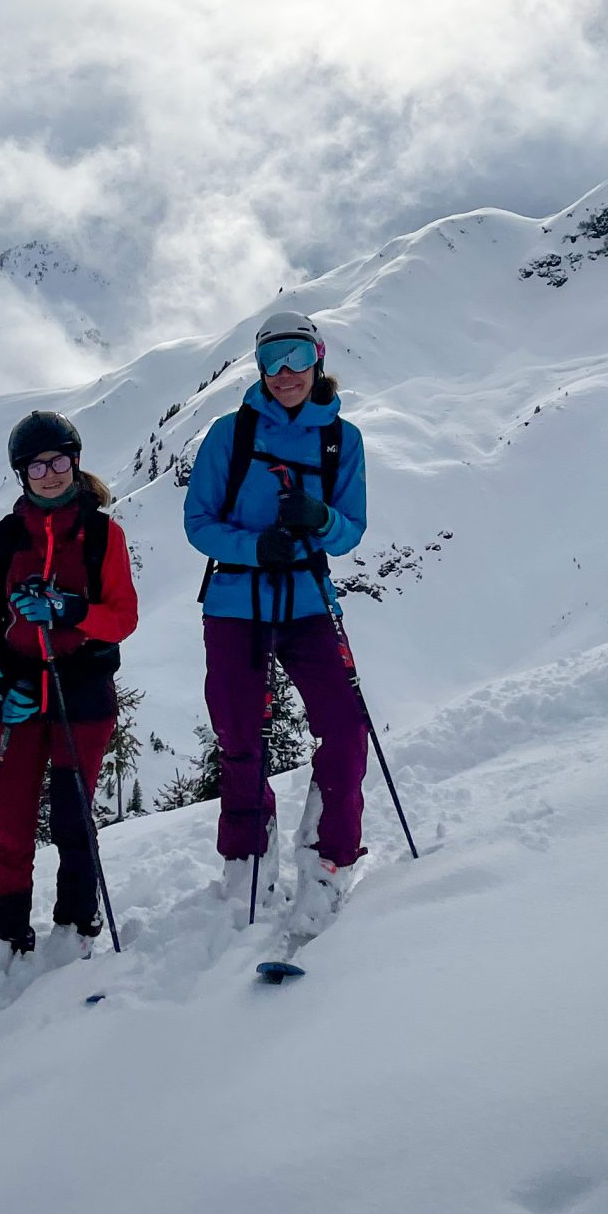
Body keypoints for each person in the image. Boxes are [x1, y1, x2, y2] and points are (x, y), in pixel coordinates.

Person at [182, 308, 369, 932]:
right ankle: (246, 855)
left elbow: (350, 533)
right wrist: (255, 547)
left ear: (318, 359)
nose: (285, 372)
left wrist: (318, 520)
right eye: (271, 359)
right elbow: (199, 523)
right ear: (257, 366)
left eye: (296, 357)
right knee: (239, 736)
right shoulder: (227, 436)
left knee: (344, 729)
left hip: (308, 602)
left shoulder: (341, 439)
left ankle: (329, 856)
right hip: (236, 603)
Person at [0, 410, 138, 952]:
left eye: (59, 460)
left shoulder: (102, 535)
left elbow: (123, 618)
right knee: (11, 821)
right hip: (18, 693)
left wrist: (71, 610)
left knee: (72, 815)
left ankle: (77, 920)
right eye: (37, 465)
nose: (50, 473)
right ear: (21, 474)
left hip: (82, 691)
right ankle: (8, 932)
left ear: (76, 462)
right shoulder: (6, 537)